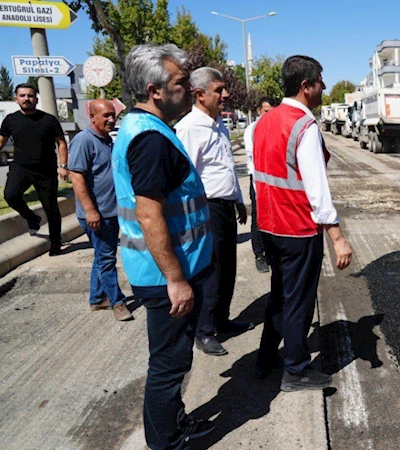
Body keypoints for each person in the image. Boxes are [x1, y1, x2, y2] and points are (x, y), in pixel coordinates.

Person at [112, 43, 215, 449]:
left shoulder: (147, 128)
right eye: (180, 82)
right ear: (154, 91)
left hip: (166, 269)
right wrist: (176, 279)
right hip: (164, 276)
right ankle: (165, 442)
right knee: (169, 366)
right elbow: (150, 215)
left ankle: (173, 424)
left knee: (173, 361)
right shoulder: (150, 139)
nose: (188, 89)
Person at [252, 55, 353, 390]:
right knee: (298, 301)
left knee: (280, 295)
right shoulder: (303, 126)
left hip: (269, 225)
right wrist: (337, 237)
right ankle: (295, 370)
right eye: (320, 81)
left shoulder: (264, 122)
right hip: (297, 227)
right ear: (306, 86)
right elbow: (317, 189)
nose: (324, 86)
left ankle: (266, 357)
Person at [176, 67, 253, 357]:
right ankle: (204, 330)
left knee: (228, 266)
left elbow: (226, 167)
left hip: (225, 205)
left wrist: (238, 199)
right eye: (218, 90)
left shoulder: (218, 123)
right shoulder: (190, 128)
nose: (226, 94)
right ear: (199, 94)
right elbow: (186, 177)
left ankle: (222, 318)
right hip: (206, 208)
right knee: (211, 270)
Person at [68, 99, 132, 321]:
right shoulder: (83, 141)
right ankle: (117, 302)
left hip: (111, 211)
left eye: (113, 115)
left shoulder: (107, 140)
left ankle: (97, 298)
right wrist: (90, 211)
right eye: (106, 115)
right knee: (106, 258)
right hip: (97, 213)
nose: (111, 119)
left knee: (103, 255)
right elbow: (76, 177)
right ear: (92, 116)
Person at [0, 84, 68, 256]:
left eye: (30, 96)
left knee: (51, 208)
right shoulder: (10, 120)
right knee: (10, 195)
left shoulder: (49, 120)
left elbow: (61, 143)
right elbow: (1, 141)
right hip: (20, 168)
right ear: (16, 99)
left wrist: (63, 166)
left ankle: (55, 244)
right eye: (22, 95)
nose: (26, 99)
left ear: (36, 99)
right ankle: (32, 218)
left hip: (46, 170)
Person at [244, 96, 277, 273]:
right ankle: (259, 254)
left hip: (274, 180)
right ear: (258, 111)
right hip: (257, 179)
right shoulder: (252, 130)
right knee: (258, 217)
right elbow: (256, 155)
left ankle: (272, 252)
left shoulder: (276, 127)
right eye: (266, 111)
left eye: (272, 112)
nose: (269, 115)